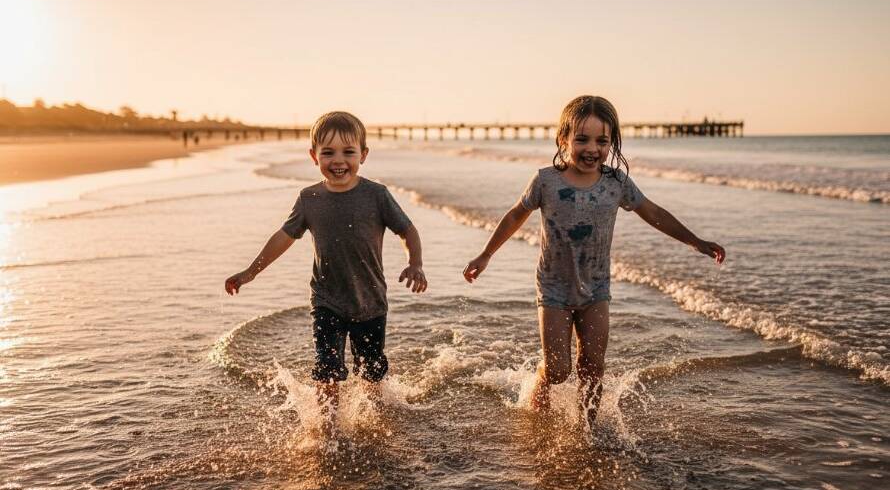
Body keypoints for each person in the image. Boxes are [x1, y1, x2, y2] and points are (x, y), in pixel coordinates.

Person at [462, 96, 725, 428]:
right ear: (563, 139)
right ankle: (536, 413)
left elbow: (654, 213)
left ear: (611, 142)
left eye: (602, 141)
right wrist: (486, 255)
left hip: (597, 288)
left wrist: (696, 242)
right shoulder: (546, 181)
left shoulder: (616, 184)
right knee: (558, 370)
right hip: (554, 286)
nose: (592, 148)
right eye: (582, 139)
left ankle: (587, 430)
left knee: (593, 365)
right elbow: (516, 214)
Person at [225, 111, 427, 431]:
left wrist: (415, 263)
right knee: (327, 368)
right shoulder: (309, 199)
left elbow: (408, 230)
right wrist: (251, 272)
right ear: (313, 156)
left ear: (363, 154)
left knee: (370, 372)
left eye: (348, 152)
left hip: (371, 301)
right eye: (328, 152)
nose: (339, 160)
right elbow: (284, 237)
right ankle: (328, 429)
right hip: (326, 300)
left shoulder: (377, 195)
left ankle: (374, 423)